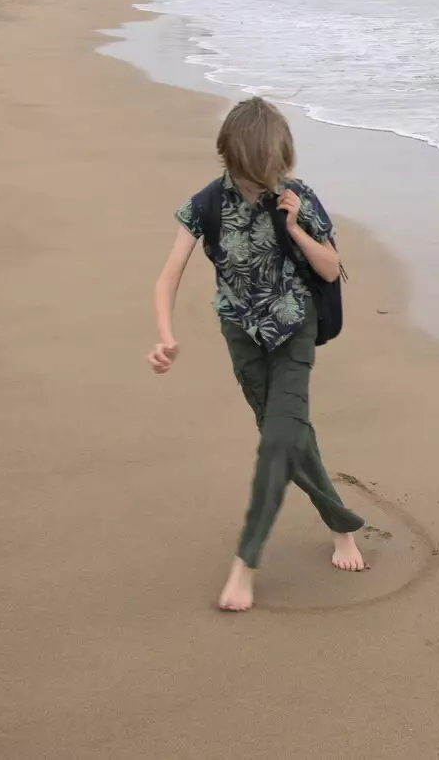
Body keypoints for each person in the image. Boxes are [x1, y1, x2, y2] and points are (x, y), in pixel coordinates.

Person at [147, 97, 364, 612]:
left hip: (295, 329)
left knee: (276, 443)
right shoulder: (204, 204)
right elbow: (168, 274)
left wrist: (294, 229)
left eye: (271, 174)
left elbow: (331, 270)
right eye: (252, 178)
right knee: (287, 436)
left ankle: (245, 564)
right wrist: (164, 336)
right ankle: (343, 525)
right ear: (230, 160)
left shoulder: (298, 197)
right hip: (241, 335)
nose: (262, 186)